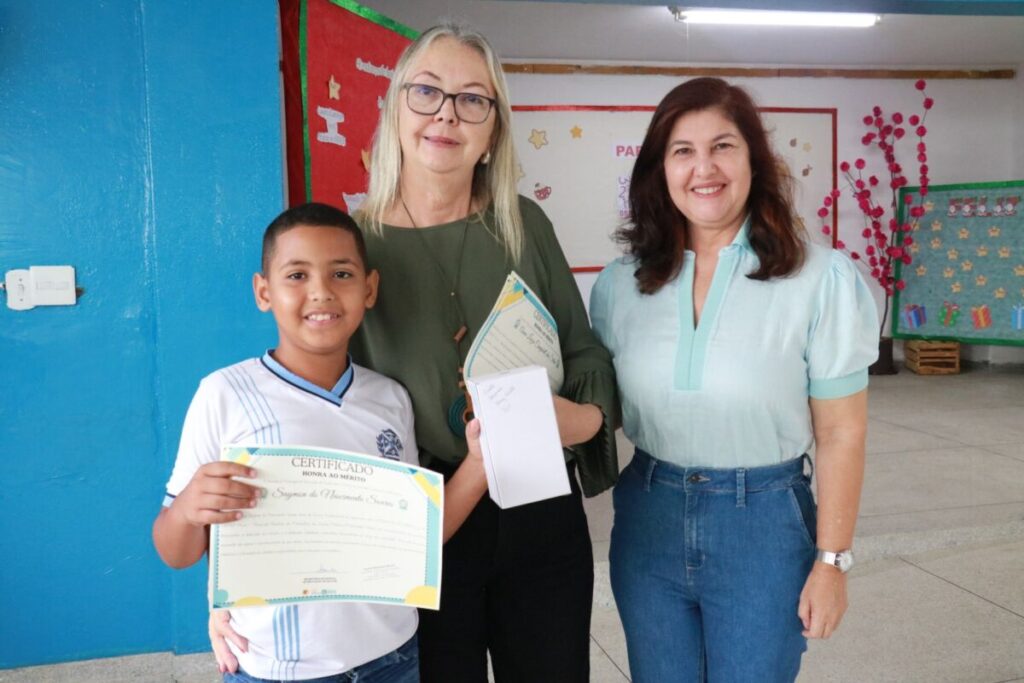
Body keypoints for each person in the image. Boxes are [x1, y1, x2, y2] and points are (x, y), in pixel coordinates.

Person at [589, 77, 878, 683]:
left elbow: (841, 433)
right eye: (683, 151)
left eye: (722, 146)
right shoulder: (621, 285)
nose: (704, 168)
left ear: (754, 160)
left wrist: (831, 562)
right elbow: (601, 411)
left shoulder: (819, 279)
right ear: (660, 170)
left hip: (763, 525)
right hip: (648, 518)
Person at [153, 202, 488, 682]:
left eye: (341, 274)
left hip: (393, 658)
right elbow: (175, 552)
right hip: (277, 669)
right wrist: (188, 509)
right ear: (263, 292)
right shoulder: (225, 394)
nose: (321, 292)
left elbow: (417, 539)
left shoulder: (390, 399)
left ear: (369, 289)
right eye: (297, 275)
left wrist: (478, 462)